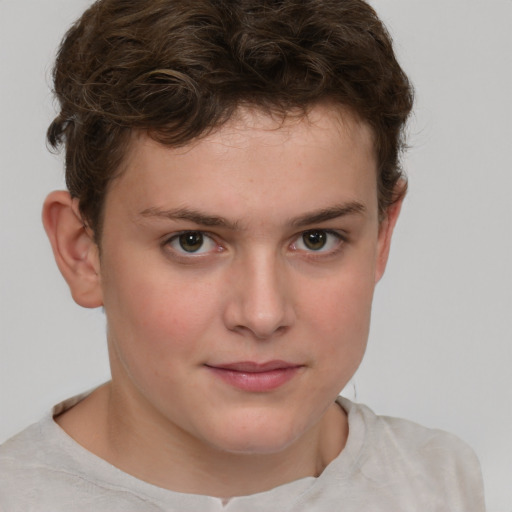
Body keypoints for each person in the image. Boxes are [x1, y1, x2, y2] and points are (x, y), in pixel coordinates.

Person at [0, 0, 485, 509]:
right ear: (83, 253)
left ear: (382, 236)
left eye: (317, 238)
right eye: (192, 241)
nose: (262, 314)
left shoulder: (443, 485)